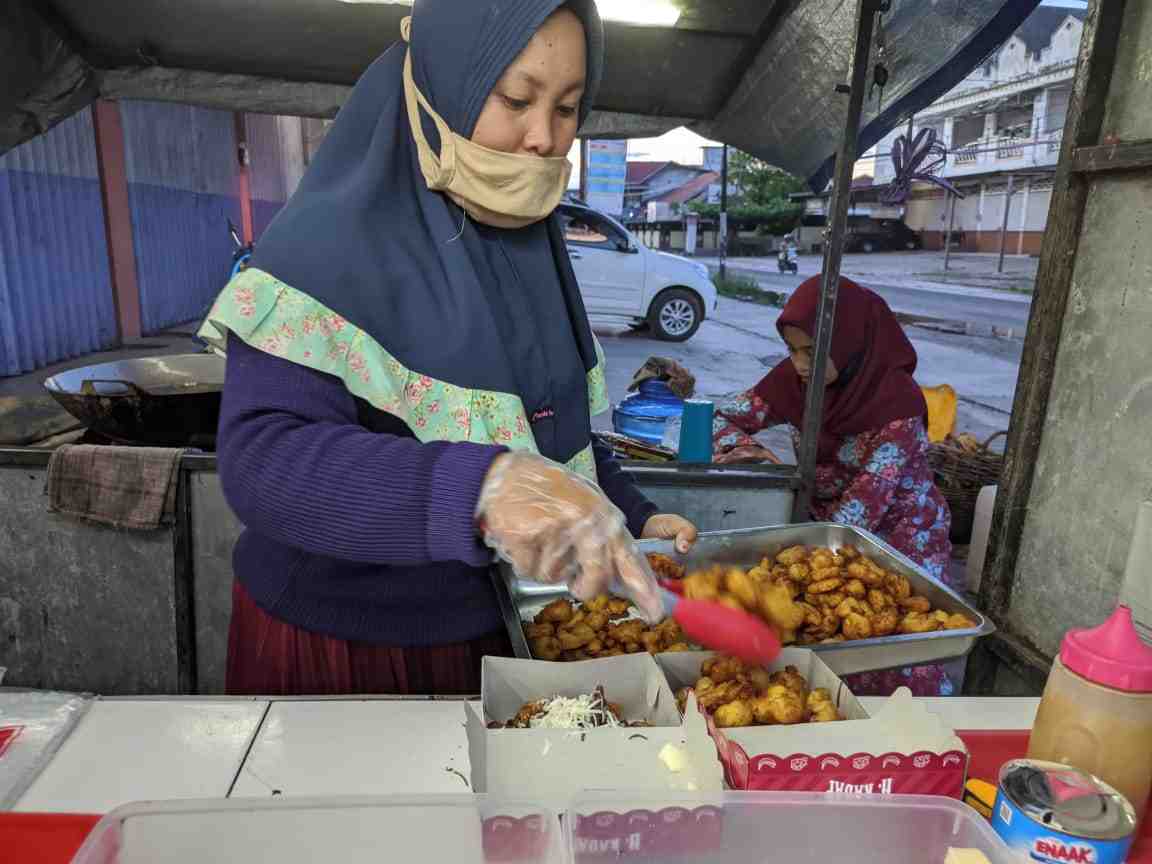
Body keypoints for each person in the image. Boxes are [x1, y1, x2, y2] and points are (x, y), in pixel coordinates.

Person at [199, 0, 697, 696]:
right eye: (517, 99)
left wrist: (631, 517)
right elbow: (265, 462)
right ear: (441, 85)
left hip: (495, 633)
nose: (543, 139)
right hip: (345, 648)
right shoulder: (324, 245)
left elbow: (544, 434)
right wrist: (478, 489)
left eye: (568, 108)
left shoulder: (532, 248)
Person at [713, 275, 954, 696]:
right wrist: (749, 450)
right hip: (828, 526)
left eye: (812, 351)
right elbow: (723, 417)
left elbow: (859, 515)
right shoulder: (795, 381)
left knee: (894, 646)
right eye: (792, 350)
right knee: (822, 654)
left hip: (900, 538)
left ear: (849, 344)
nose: (800, 363)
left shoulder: (896, 407)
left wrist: (789, 568)